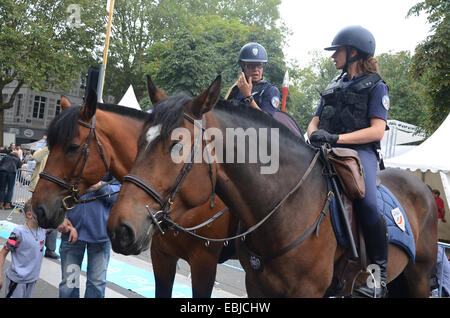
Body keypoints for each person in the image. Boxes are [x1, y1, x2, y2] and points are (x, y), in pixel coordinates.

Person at [307, 25, 390, 298]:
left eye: (337, 51)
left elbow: (377, 130)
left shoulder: (377, 87)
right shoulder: (333, 85)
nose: (333, 57)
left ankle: (379, 276)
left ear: (353, 52)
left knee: (366, 202)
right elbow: (315, 120)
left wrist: (337, 138)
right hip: (325, 147)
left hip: (360, 153)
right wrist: (314, 135)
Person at [57, 177, 120, 298]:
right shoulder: (73, 161)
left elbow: (120, 195)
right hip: (71, 235)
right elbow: (55, 192)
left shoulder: (111, 166)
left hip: (100, 238)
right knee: (69, 285)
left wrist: (101, 186)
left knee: (97, 284)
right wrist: (60, 218)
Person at [0, 199, 46, 297]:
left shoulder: (43, 230)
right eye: (41, 212)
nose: (44, 215)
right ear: (29, 215)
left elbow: (59, 224)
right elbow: (2, 253)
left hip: (32, 280)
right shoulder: (18, 233)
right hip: (17, 282)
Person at [226, 42, 281, 116]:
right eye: (250, 66)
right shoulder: (236, 89)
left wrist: (248, 97)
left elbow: (266, 120)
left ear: (263, 67)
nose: (255, 69)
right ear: (243, 67)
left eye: (259, 65)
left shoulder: (270, 91)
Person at [27, 145, 59, 259]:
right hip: (38, 188)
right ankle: (32, 247)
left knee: (53, 219)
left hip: (53, 191)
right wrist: (50, 146)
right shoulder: (43, 150)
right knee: (35, 218)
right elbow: (36, 158)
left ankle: (50, 249)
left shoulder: (60, 151)